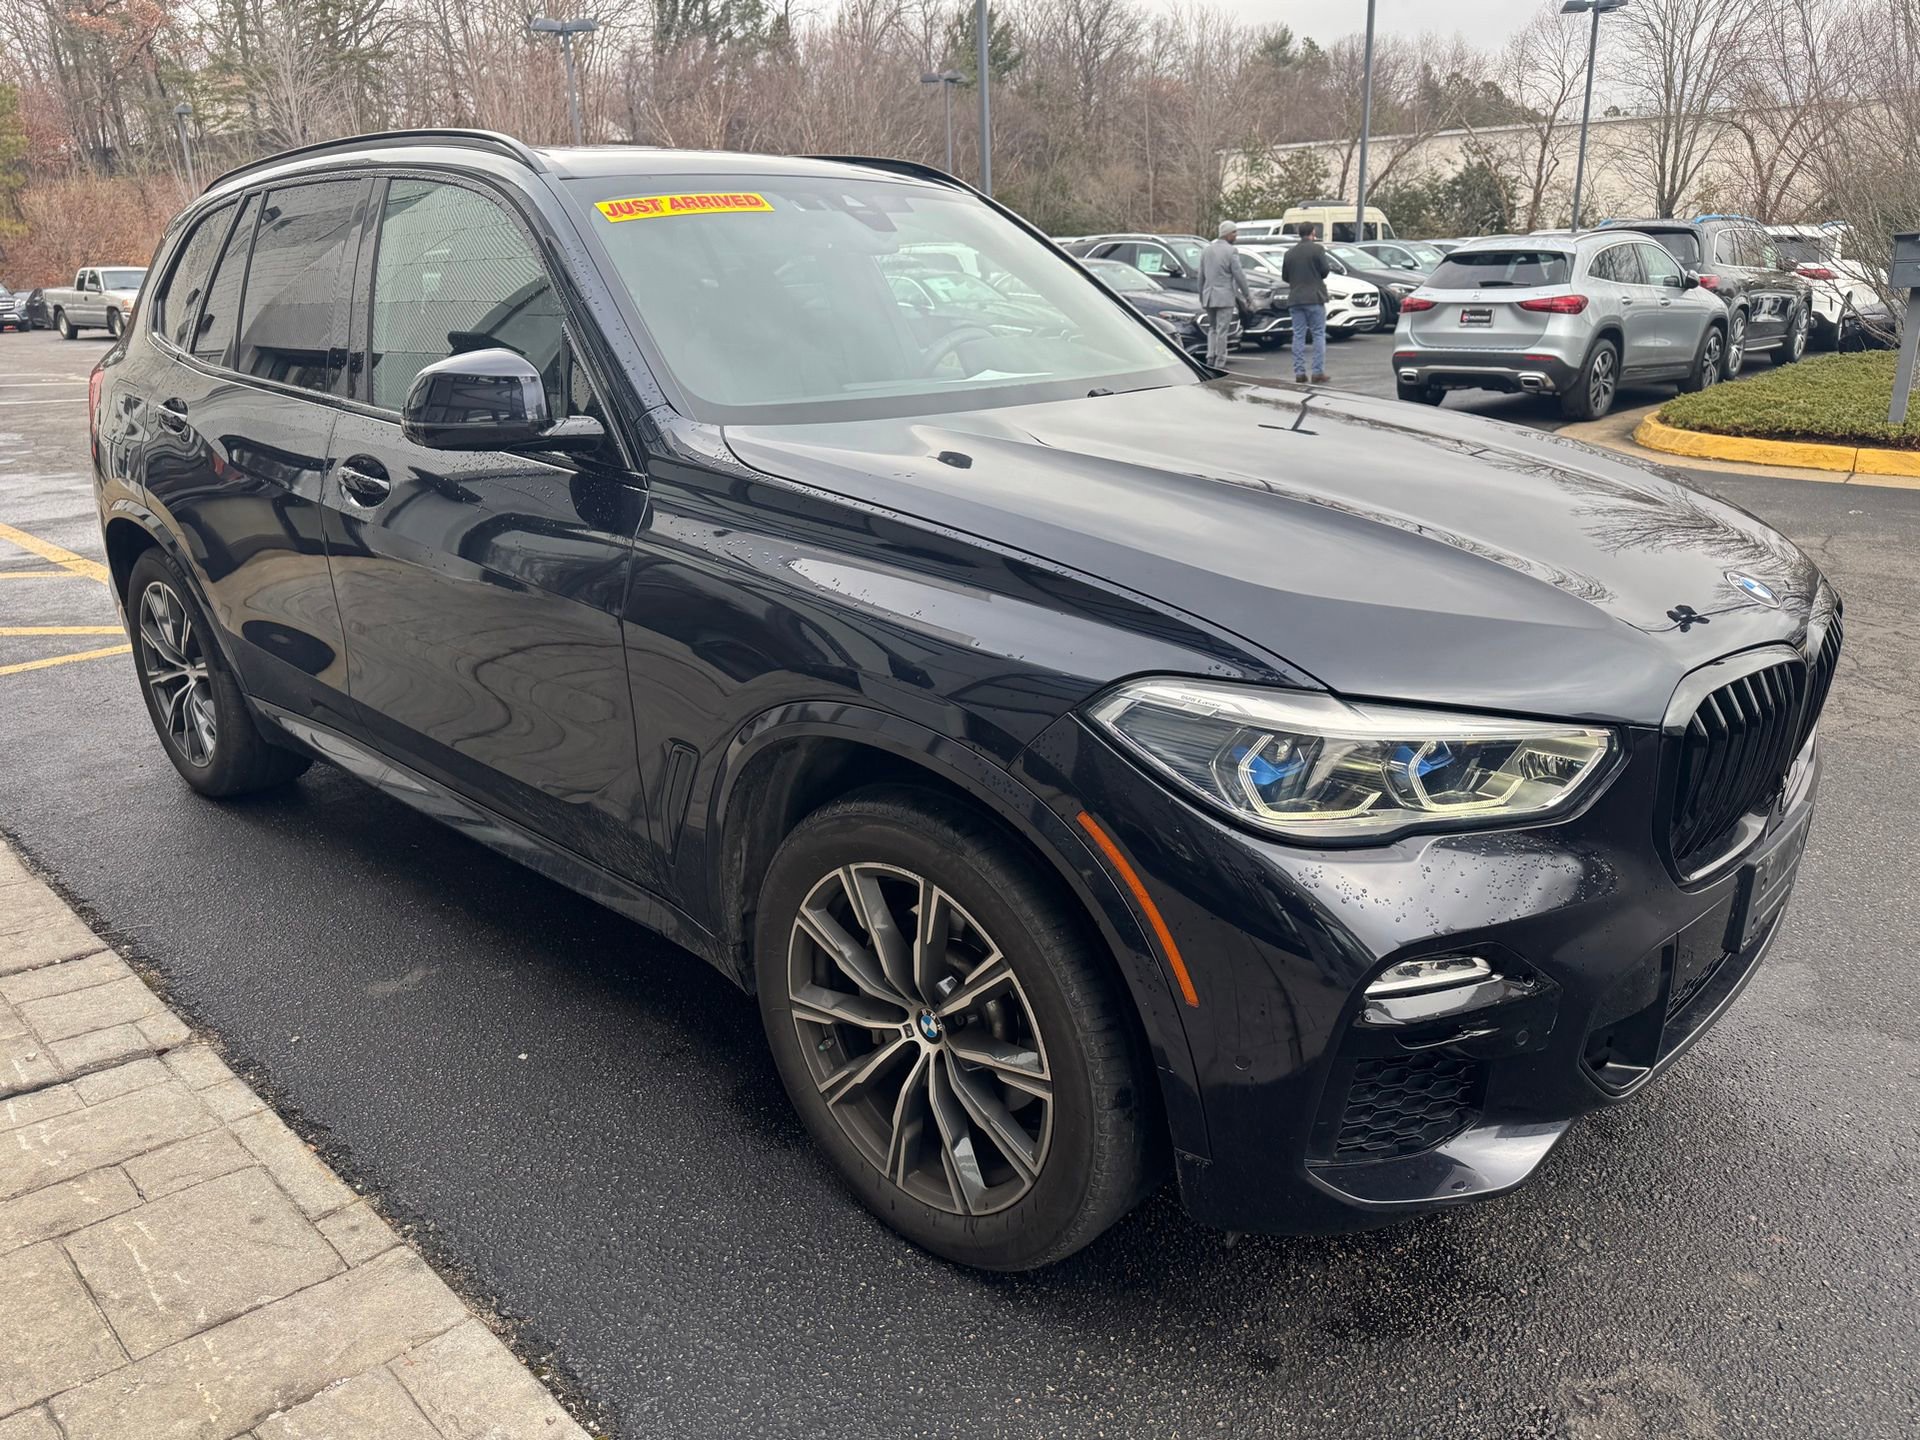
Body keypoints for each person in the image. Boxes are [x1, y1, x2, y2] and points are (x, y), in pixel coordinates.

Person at [1280, 222, 1333, 384]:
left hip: (1295, 298)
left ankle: (1299, 372)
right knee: (1318, 334)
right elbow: (1324, 271)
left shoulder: (1289, 253)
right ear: (1312, 232)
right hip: (1314, 298)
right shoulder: (1317, 249)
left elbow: (1285, 276)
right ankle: (1317, 372)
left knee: (1298, 335)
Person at [1198, 220, 1254, 369]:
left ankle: (1210, 356)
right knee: (1223, 330)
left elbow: (1201, 276)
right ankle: (1220, 360)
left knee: (1212, 328)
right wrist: (1247, 296)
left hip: (1208, 295)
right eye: (1234, 232)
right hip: (1225, 297)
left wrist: (1201, 295)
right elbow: (1239, 275)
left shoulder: (1206, 250)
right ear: (1227, 234)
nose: (1236, 235)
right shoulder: (1231, 251)